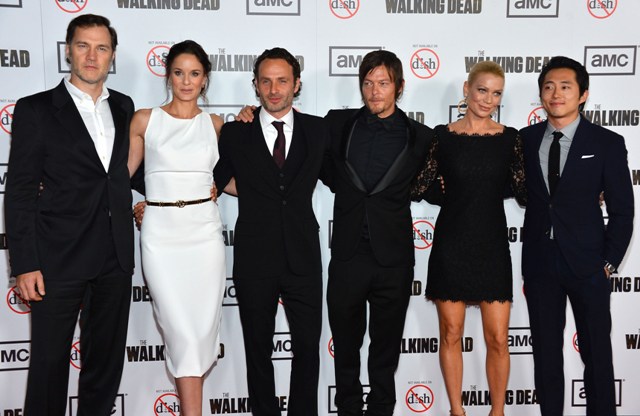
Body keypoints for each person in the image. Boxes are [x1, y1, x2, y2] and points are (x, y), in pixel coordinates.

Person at [4, 14, 134, 415]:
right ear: (68, 52)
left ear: (112, 56)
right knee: (48, 364)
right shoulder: (36, 109)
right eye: (83, 46)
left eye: (101, 48)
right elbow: (20, 191)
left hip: (114, 256)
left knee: (105, 365)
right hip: (56, 258)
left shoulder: (124, 107)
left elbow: (125, 172)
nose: (92, 56)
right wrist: (24, 264)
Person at [213, 47, 329, 416]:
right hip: (254, 256)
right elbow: (216, 180)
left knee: (308, 349)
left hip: (303, 256)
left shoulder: (318, 129)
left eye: (282, 81)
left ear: (297, 84)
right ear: (256, 85)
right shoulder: (235, 132)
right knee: (257, 350)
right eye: (266, 81)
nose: (274, 89)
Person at [520, 56, 634, 416]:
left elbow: (623, 211)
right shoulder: (524, 140)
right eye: (549, 86)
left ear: (583, 94)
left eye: (565, 87)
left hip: (589, 266)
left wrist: (608, 263)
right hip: (540, 264)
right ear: (541, 93)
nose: (556, 94)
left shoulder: (607, 143)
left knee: (597, 355)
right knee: (545, 357)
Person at [411, 61, 526, 416]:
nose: (488, 99)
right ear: (466, 89)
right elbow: (419, 186)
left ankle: (497, 412)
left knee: (498, 338)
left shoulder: (510, 139)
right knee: (450, 332)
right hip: (452, 244)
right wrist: (444, 191)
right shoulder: (442, 137)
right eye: (482, 90)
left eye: (496, 93)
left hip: (491, 246)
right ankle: (456, 411)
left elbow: (525, 192)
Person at [324, 50, 433, 416]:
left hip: (394, 259)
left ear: (399, 87)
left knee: (385, 351)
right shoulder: (336, 124)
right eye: (368, 83)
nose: (374, 91)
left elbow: (443, 182)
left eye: (383, 83)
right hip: (348, 255)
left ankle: (382, 409)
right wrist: (249, 115)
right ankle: (348, 409)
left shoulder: (421, 137)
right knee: (345, 347)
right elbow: (297, 140)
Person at [127, 40, 226, 416]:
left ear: (205, 79)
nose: (186, 81)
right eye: (179, 73)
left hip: (204, 236)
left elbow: (236, 177)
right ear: (168, 75)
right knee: (181, 331)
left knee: (200, 333)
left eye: (195, 73)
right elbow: (119, 175)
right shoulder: (145, 120)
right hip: (161, 237)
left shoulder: (216, 125)